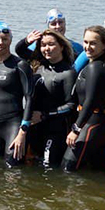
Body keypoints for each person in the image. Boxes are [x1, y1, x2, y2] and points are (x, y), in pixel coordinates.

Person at [0, 22, 35, 167]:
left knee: (13, 167)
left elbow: (29, 98)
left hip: (13, 125)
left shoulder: (20, 65)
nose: (0, 43)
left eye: (4, 39)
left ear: (10, 40)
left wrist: (23, 131)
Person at [62, 25, 105, 171]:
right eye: (85, 42)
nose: (87, 47)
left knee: (67, 169)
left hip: (91, 125)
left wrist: (76, 129)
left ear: (104, 45)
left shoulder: (95, 68)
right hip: (98, 124)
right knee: (95, 171)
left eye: (93, 43)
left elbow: (90, 101)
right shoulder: (103, 65)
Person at [25, 29, 77, 167]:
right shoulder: (38, 66)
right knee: (31, 165)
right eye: (43, 45)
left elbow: (71, 105)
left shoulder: (68, 73)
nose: (46, 49)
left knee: (48, 166)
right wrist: (27, 40)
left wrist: (43, 115)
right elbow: (19, 50)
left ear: (61, 46)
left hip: (55, 129)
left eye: (51, 44)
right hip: (35, 127)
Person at [18, 8, 83, 63]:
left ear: (65, 23)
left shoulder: (77, 47)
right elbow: (20, 52)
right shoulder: (38, 46)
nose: (58, 26)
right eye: (53, 24)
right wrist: (26, 41)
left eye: (60, 22)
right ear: (48, 26)